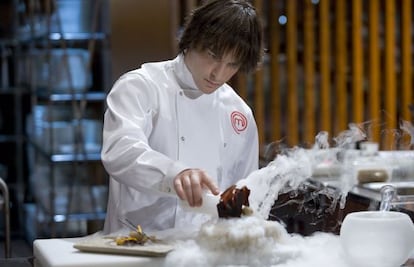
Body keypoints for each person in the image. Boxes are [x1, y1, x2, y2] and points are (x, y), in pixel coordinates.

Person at [101, 0, 264, 234]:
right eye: (212, 56)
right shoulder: (141, 86)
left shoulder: (238, 113)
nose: (219, 74)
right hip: (136, 242)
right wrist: (174, 173)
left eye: (232, 64)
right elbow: (119, 151)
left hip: (203, 249)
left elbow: (246, 192)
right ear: (191, 40)